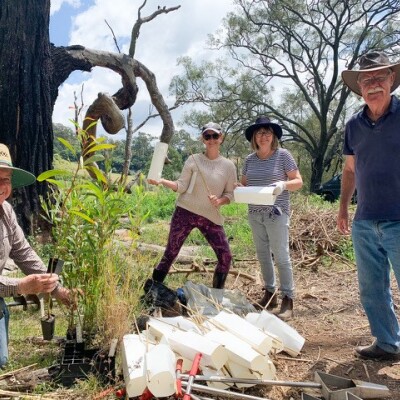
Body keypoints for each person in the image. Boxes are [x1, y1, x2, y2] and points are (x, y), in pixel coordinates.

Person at [338, 51, 400, 360]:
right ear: (359, 87)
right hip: (365, 221)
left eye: (379, 77)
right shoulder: (353, 125)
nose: (373, 84)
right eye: (367, 80)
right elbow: (350, 170)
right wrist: (344, 208)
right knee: (372, 289)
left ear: (391, 79)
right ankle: (387, 343)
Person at [0, 143, 70, 368]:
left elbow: (23, 252)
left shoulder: (5, 210)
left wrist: (57, 290)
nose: (2, 187)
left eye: (6, 179)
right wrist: (20, 286)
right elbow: (20, 285)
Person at [147, 122, 237, 289]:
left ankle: (217, 296)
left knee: (225, 257)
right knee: (171, 252)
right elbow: (181, 186)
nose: (211, 139)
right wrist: (161, 181)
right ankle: (152, 291)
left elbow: (230, 195)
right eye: (207, 136)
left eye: (215, 136)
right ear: (203, 139)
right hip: (185, 212)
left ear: (221, 138)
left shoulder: (229, 166)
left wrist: (219, 201)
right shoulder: (193, 159)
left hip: (211, 217)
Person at [240, 116, 303, 320]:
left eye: (267, 132)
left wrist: (283, 185)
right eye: (259, 132)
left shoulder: (283, 155)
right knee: (262, 254)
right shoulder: (249, 160)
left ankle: (288, 298)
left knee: (281, 255)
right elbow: (244, 185)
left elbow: (298, 181)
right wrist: (237, 189)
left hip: (277, 212)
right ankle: (270, 293)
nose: (264, 135)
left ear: (273, 136)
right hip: (255, 213)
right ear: (254, 138)